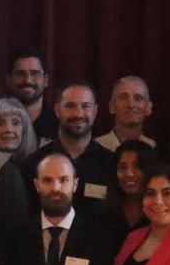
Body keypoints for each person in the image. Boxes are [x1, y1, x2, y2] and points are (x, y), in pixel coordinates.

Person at [18, 82, 115, 224]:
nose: (78, 113)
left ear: (95, 111)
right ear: (57, 110)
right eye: (70, 106)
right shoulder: (33, 163)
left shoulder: (112, 164)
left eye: (85, 106)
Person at [0, 97, 37, 222]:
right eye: (0, 123)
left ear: (24, 129)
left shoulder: (37, 169)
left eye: (15, 123)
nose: (8, 130)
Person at [5, 47, 58, 141]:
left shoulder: (59, 125)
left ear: (46, 80)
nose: (27, 80)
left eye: (35, 73)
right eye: (20, 73)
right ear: (8, 79)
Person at [96, 76, 155, 153]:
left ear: (148, 108)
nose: (130, 104)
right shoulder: (96, 148)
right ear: (112, 106)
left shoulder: (154, 149)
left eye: (138, 98)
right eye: (123, 98)